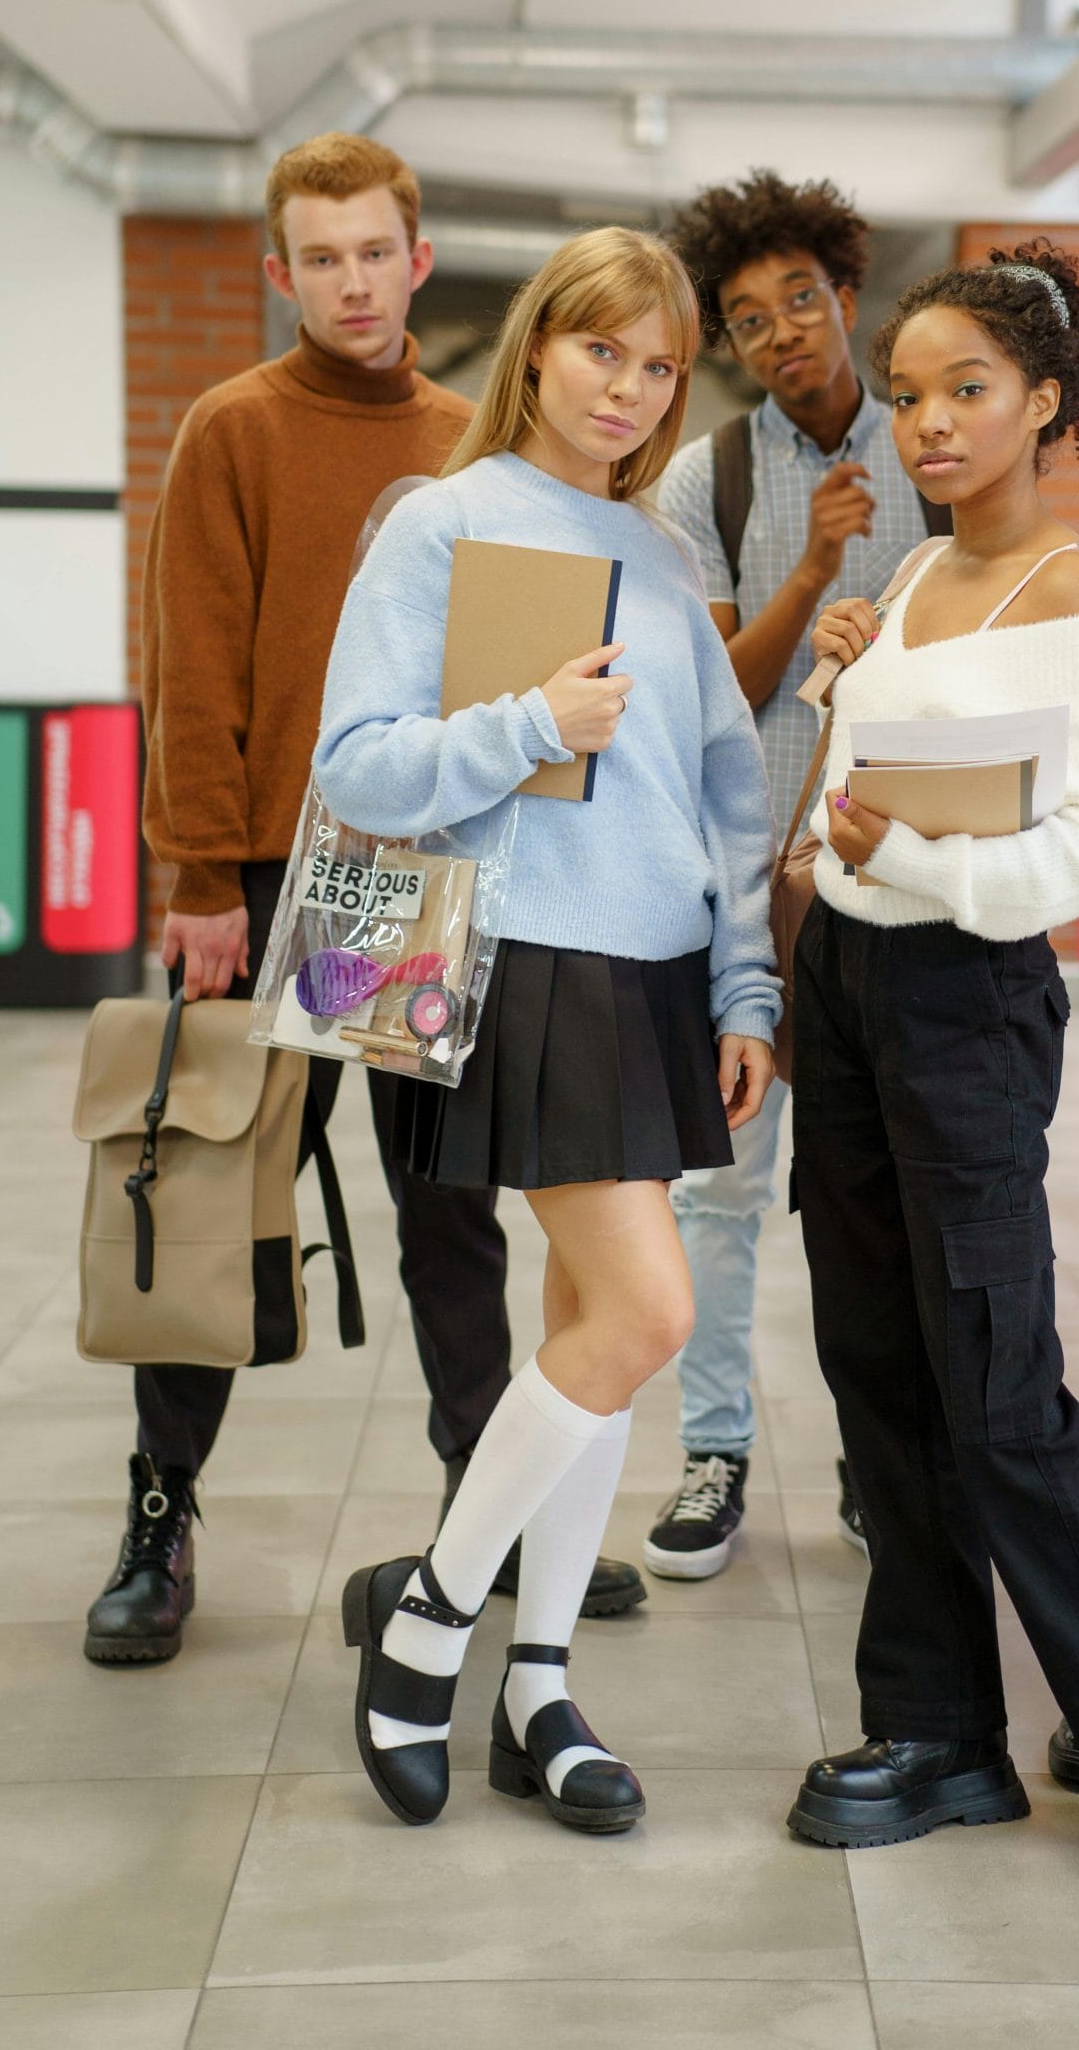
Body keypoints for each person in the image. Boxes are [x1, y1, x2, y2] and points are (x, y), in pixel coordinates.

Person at [85, 133, 644, 1667]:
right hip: (271, 877)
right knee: (213, 1195)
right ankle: (158, 1514)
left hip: (414, 878)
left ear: (417, 259)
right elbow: (192, 663)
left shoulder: (480, 442)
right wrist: (201, 876)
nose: (349, 279)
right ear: (283, 272)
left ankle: (483, 1513)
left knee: (450, 1215)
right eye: (318, 255)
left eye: (373, 250)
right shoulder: (232, 430)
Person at [314, 226, 779, 1831]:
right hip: (523, 957)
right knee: (643, 1315)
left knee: (592, 1338)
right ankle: (433, 1622)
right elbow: (358, 768)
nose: (631, 390)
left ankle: (540, 1685)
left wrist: (743, 985)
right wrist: (531, 727)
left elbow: (724, 798)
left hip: (652, 974)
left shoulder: (660, 553)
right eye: (605, 352)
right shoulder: (441, 524)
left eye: (659, 366)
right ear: (538, 345)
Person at [787, 244, 1079, 1895]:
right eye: (908, 395)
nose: (927, 424)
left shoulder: (1069, 593)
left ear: (1045, 404)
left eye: (966, 391)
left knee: (995, 1390)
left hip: (964, 1001)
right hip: (846, 989)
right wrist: (849, 688)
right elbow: (865, 784)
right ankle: (940, 1733)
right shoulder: (908, 582)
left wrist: (924, 862)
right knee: (879, 1372)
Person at [652, 170, 939, 1577]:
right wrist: (815, 563)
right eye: (748, 319)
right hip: (737, 884)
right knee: (718, 1185)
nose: (780, 335)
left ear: (847, 296)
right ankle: (714, 1451)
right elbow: (718, 693)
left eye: (801, 303)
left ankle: (871, 1460)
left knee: (858, 1188)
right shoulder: (705, 476)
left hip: (888, 877)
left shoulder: (938, 451)